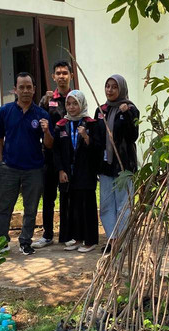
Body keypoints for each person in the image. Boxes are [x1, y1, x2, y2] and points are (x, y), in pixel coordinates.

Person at [0, 72, 52, 255]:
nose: (25, 90)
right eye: (22, 87)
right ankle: (1, 241)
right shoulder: (4, 111)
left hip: (33, 169)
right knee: (4, 206)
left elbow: (49, 144)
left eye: (29, 87)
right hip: (9, 168)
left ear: (34, 90)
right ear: (15, 90)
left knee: (31, 208)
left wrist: (47, 131)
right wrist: (1, 161)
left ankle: (25, 241)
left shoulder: (42, 114)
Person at [53, 90, 103, 253]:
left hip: (86, 171)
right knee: (73, 206)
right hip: (69, 172)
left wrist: (87, 137)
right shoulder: (61, 125)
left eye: (75, 103)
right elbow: (57, 150)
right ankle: (77, 237)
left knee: (87, 205)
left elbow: (97, 149)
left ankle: (90, 240)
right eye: (69, 103)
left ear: (81, 104)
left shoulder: (91, 123)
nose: (72, 107)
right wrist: (61, 170)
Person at [95, 74, 139, 253]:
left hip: (123, 166)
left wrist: (126, 114)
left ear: (121, 88)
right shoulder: (101, 110)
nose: (110, 90)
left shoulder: (130, 108)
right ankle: (112, 239)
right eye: (107, 86)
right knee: (106, 204)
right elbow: (98, 138)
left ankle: (121, 240)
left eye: (114, 87)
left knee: (123, 205)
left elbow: (132, 136)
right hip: (106, 166)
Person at [33, 60, 74, 249]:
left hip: (68, 155)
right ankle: (47, 234)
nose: (61, 76)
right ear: (53, 77)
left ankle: (67, 235)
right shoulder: (46, 100)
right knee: (48, 196)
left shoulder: (75, 98)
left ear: (71, 76)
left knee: (67, 196)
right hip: (49, 153)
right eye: (58, 73)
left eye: (65, 73)